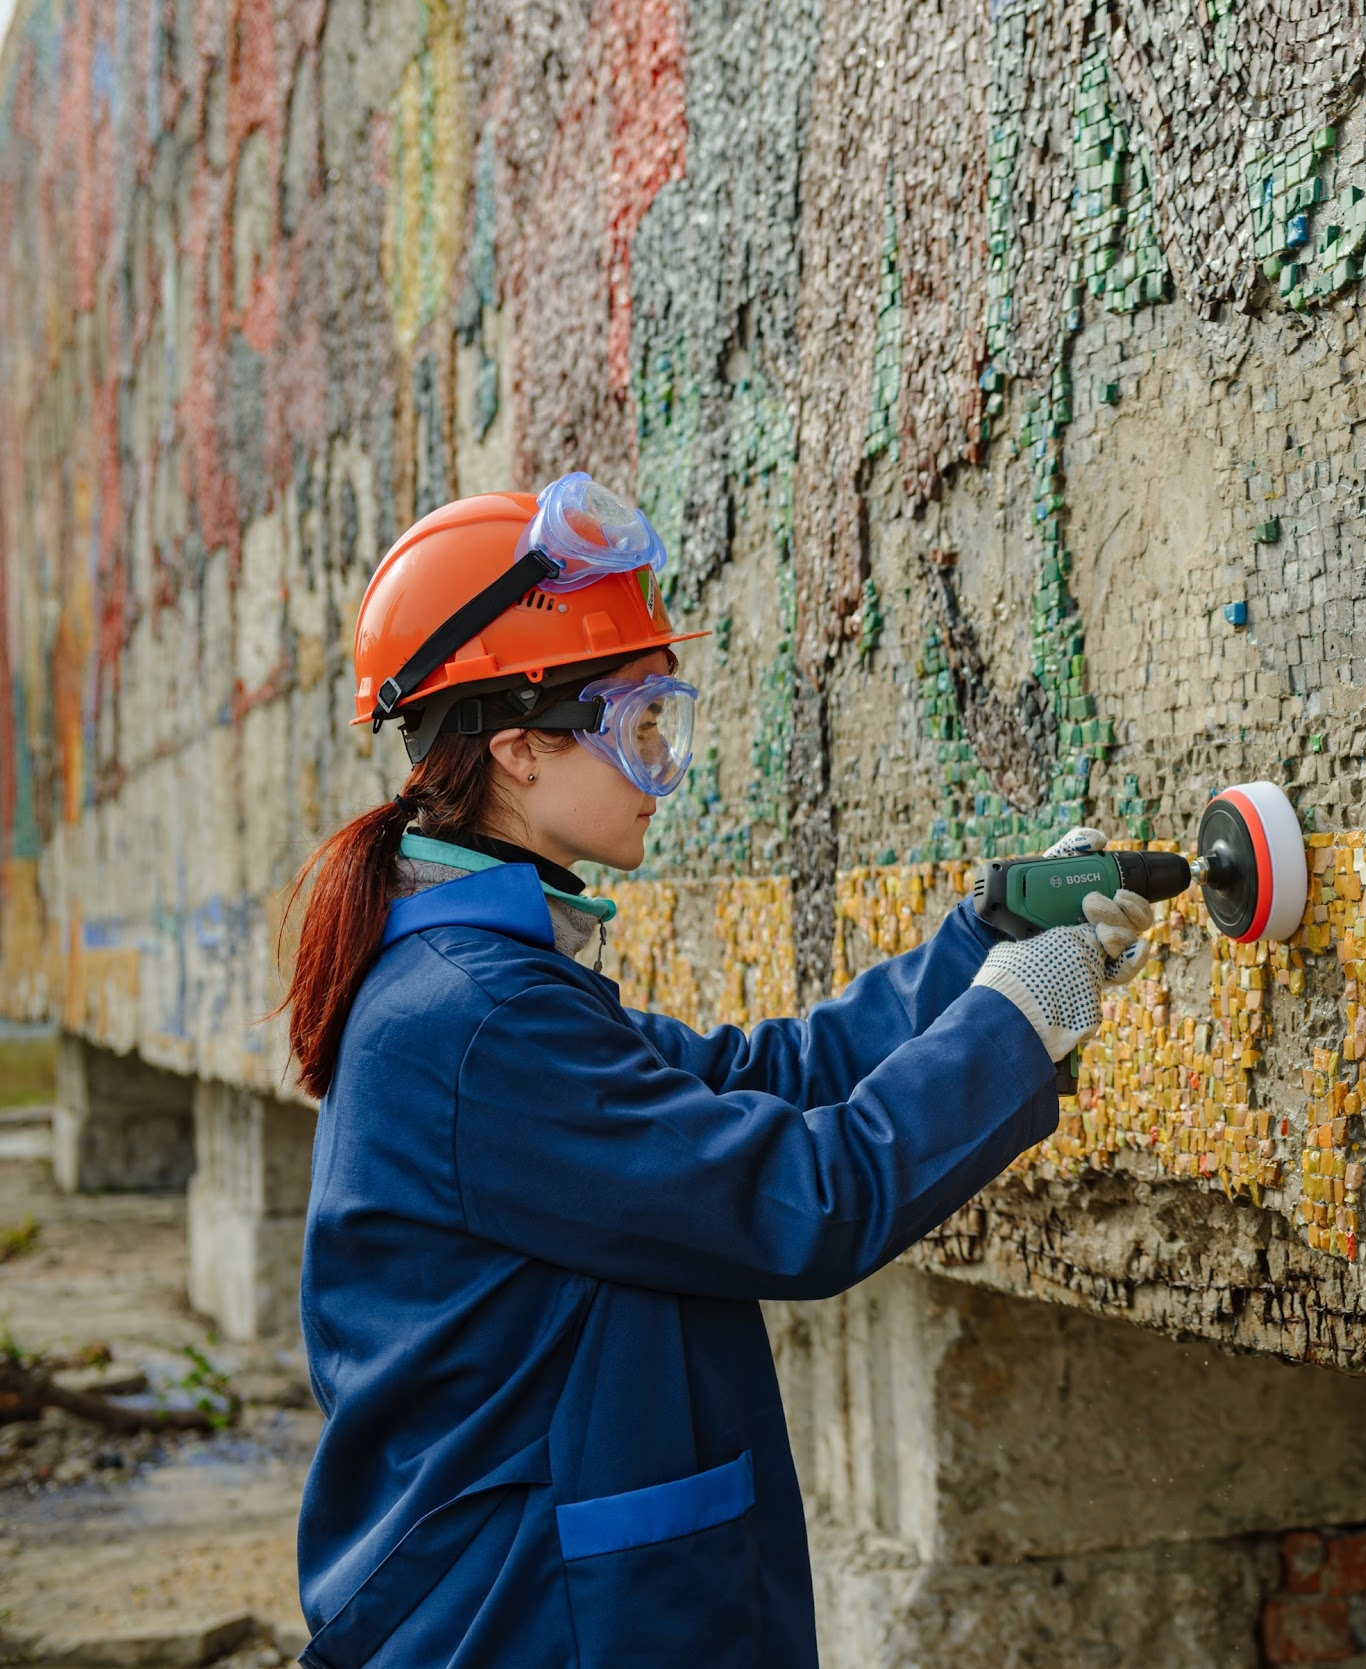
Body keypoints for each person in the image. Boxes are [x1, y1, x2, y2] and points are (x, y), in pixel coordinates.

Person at [280, 477, 1151, 1668]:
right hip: (530, 1620)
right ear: (521, 750)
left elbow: (764, 1076)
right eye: (636, 725)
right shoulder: (479, 1024)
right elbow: (800, 1201)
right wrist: (1017, 1021)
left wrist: (979, 945)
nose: (660, 763)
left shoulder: (479, 981)